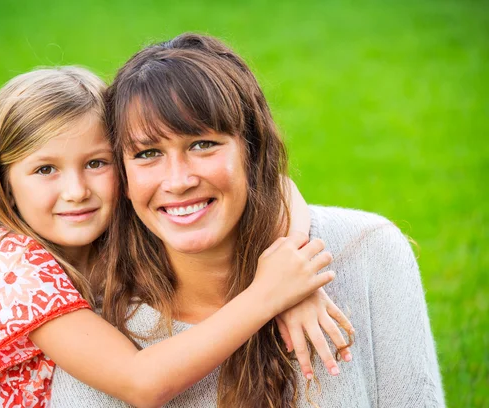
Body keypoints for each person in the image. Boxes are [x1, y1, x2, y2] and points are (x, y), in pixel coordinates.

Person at [0, 66, 349, 408]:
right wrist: (269, 294)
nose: (76, 191)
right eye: (45, 169)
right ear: (4, 181)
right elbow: (140, 382)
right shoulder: (9, 265)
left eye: (96, 163)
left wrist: (298, 278)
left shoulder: (115, 223)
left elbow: (279, 188)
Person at [50, 33, 445, 407]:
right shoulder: (102, 333)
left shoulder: (366, 251)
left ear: (252, 151)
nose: (179, 180)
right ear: (122, 175)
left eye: (203, 145)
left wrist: (294, 263)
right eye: (148, 153)